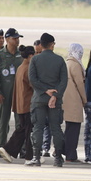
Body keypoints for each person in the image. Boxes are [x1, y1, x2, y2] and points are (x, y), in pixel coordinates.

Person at [27, 33, 67, 168]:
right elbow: (63, 81)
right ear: (52, 44)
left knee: (38, 127)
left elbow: (32, 79)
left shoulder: (35, 60)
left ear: (41, 45)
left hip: (39, 98)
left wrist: (45, 90)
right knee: (56, 128)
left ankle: (36, 157)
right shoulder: (60, 60)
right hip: (55, 100)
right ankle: (58, 158)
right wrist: (55, 95)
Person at [0, 44, 36, 162]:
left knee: (24, 129)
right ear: (30, 56)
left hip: (20, 104)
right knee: (27, 130)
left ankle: (22, 153)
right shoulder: (28, 68)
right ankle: (21, 153)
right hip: (27, 104)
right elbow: (33, 86)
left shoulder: (20, 67)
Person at [0, 28, 23, 155]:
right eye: (14, 38)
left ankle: (19, 148)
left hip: (19, 93)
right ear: (8, 39)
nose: (17, 40)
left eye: (18, 38)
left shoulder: (21, 55)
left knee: (20, 122)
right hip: (4, 92)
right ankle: (1, 148)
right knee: (2, 121)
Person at [62, 43, 87, 163]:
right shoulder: (75, 65)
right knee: (74, 129)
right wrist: (84, 99)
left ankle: (66, 151)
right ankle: (71, 155)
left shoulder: (67, 63)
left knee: (69, 128)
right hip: (74, 100)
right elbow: (80, 84)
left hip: (67, 100)